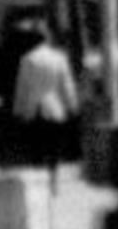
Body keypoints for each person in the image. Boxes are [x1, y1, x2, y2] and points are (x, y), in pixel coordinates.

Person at [10, 19, 81, 170]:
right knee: (54, 146)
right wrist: (73, 106)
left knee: (37, 148)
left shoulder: (27, 59)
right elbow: (66, 85)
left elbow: (22, 87)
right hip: (56, 109)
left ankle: (39, 169)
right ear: (48, 39)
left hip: (35, 110)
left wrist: (18, 110)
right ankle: (53, 176)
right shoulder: (60, 58)